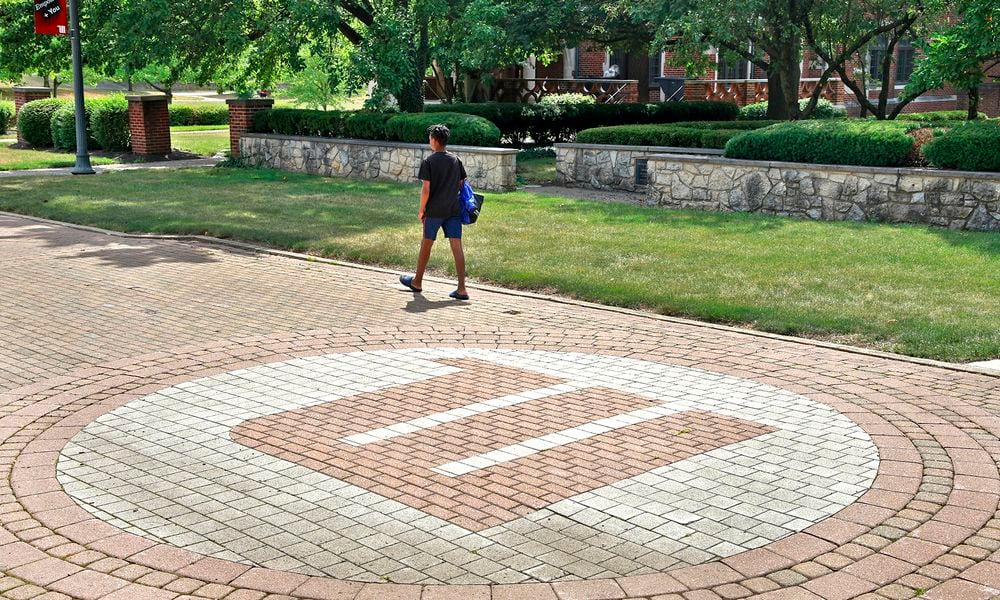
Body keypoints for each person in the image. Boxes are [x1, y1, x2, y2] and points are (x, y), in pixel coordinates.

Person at [399, 124, 470, 301]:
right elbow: (462, 184)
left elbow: (426, 189)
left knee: (427, 244)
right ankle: (462, 289)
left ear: (435, 141)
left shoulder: (429, 162)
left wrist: (422, 209)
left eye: (430, 137)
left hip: (434, 211)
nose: (429, 140)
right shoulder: (456, 160)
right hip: (453, 210)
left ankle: (417, 282)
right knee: (457, 247)